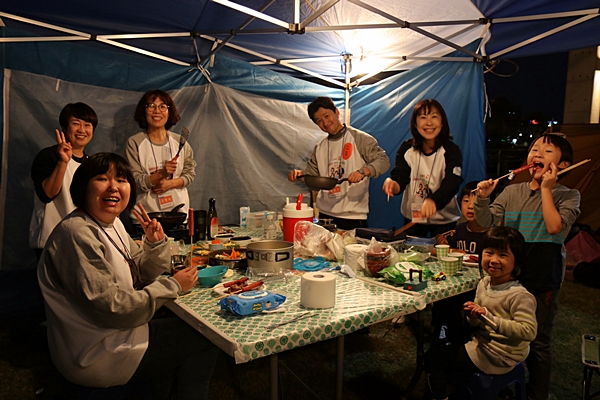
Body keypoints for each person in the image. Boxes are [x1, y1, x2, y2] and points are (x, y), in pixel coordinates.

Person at [37, 152, 217, 399]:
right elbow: (111, 308)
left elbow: (141, 273)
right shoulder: (76, 233)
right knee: (205, 337)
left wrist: (155, 244)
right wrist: (173, 286)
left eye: (121, 180)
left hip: (122, 331)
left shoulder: (112, 224)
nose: (113, 187)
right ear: (82, 187)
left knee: (186, 331)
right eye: (102, 179)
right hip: (98, 351)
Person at [474, 133, 581, 400]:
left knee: (538, 340)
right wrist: (483, 198)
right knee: (504, 331)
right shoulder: (512, 191)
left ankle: (537, 395)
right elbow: (486, 222)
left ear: (563, 165)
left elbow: (555, 228)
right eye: (534, 149)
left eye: (547, 151)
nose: (537, 154)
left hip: (543, 277)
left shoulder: (569, 196)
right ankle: (505, 383)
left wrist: (546, 188)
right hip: (510, 278)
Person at [425, 226, 538, 400]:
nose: (494, 260)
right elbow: (477, 322)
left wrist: (489, 317)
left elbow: (528, 331)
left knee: (433, 357)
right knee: (452, 327)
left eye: (503, 255)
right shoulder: (484, 283)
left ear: (517, 260)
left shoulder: (520, 296)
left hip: (498, 355)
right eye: (489, 253)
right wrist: (474, 316)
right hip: (484, 342)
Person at [288, 96, 390, 230]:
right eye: (319, 121)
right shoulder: (319, 147)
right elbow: (313, 176)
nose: (325, 123)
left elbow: (383, 161)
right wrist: (300, 175)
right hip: (325, 215)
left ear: (336, 112)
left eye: (326, 116)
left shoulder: (359, 138)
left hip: (353, 217)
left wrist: (363, 172)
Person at [382, 99, 462, 238]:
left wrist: (433, 200)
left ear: (442, 122)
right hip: (414, 219)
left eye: (434, 117)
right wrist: (392, 184)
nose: (429, 123)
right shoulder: (407, 149)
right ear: (415, 123)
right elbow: (401, 176)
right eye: (423, 117)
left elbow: (452, 182)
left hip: (445, 221)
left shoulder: (451, 150)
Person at [29, 102, 98, 258]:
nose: (82, 130)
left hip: (81, 239)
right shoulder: (48, 156)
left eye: (87, 125)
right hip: (52, 240)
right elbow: (46, 194)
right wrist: (63, 162)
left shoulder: (91, 164)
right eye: (76, 123)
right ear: (65, 127)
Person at [126, 90, 196, 225]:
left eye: (162, 106)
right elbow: (135, 181)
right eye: (151, 106)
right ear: (144, 111)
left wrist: (170, 184)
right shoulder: (135, 143)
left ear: (169, 112)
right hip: (146, 220)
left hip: (179, 217)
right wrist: (161, 174)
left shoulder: (180, 142)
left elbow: (190, 174)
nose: (157, 111)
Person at [434, 181, 489, 254]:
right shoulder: (459, 230)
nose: (470, 206)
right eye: (466, 201)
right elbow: (452, 253)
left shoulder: (492, 234)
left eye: (476, 202)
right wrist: (444, 245)